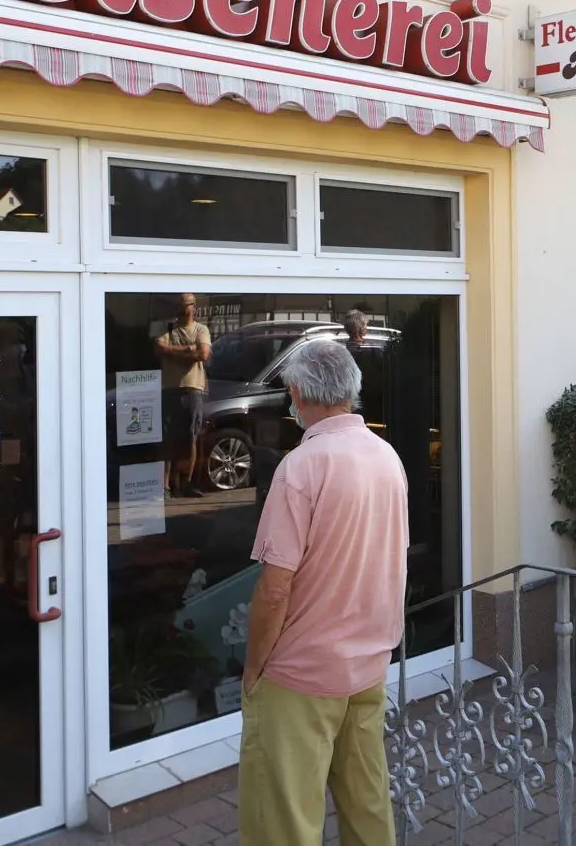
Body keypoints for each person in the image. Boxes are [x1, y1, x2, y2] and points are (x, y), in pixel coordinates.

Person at [238, 339, 408, 846]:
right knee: (368, 806)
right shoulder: (385, 455)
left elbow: (274, 589)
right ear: (351, 388)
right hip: (368, 663)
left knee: (285, 822)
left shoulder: (301, 468)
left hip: (301, 674)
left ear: (296, 393)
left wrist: (253, 669)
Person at [154, 293, 211, 498]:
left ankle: (186, 483)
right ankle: (165, 485)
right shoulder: (168, 329)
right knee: (169, 439)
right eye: (180, 305)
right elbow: (160, 348)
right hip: (171, 388)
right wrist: (188, 349)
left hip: (193, 388)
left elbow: (202, 354)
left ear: (193, 306)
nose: (183, 309)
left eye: (187, 304)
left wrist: (172, 351)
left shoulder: (201, 329)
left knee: (191, 438)